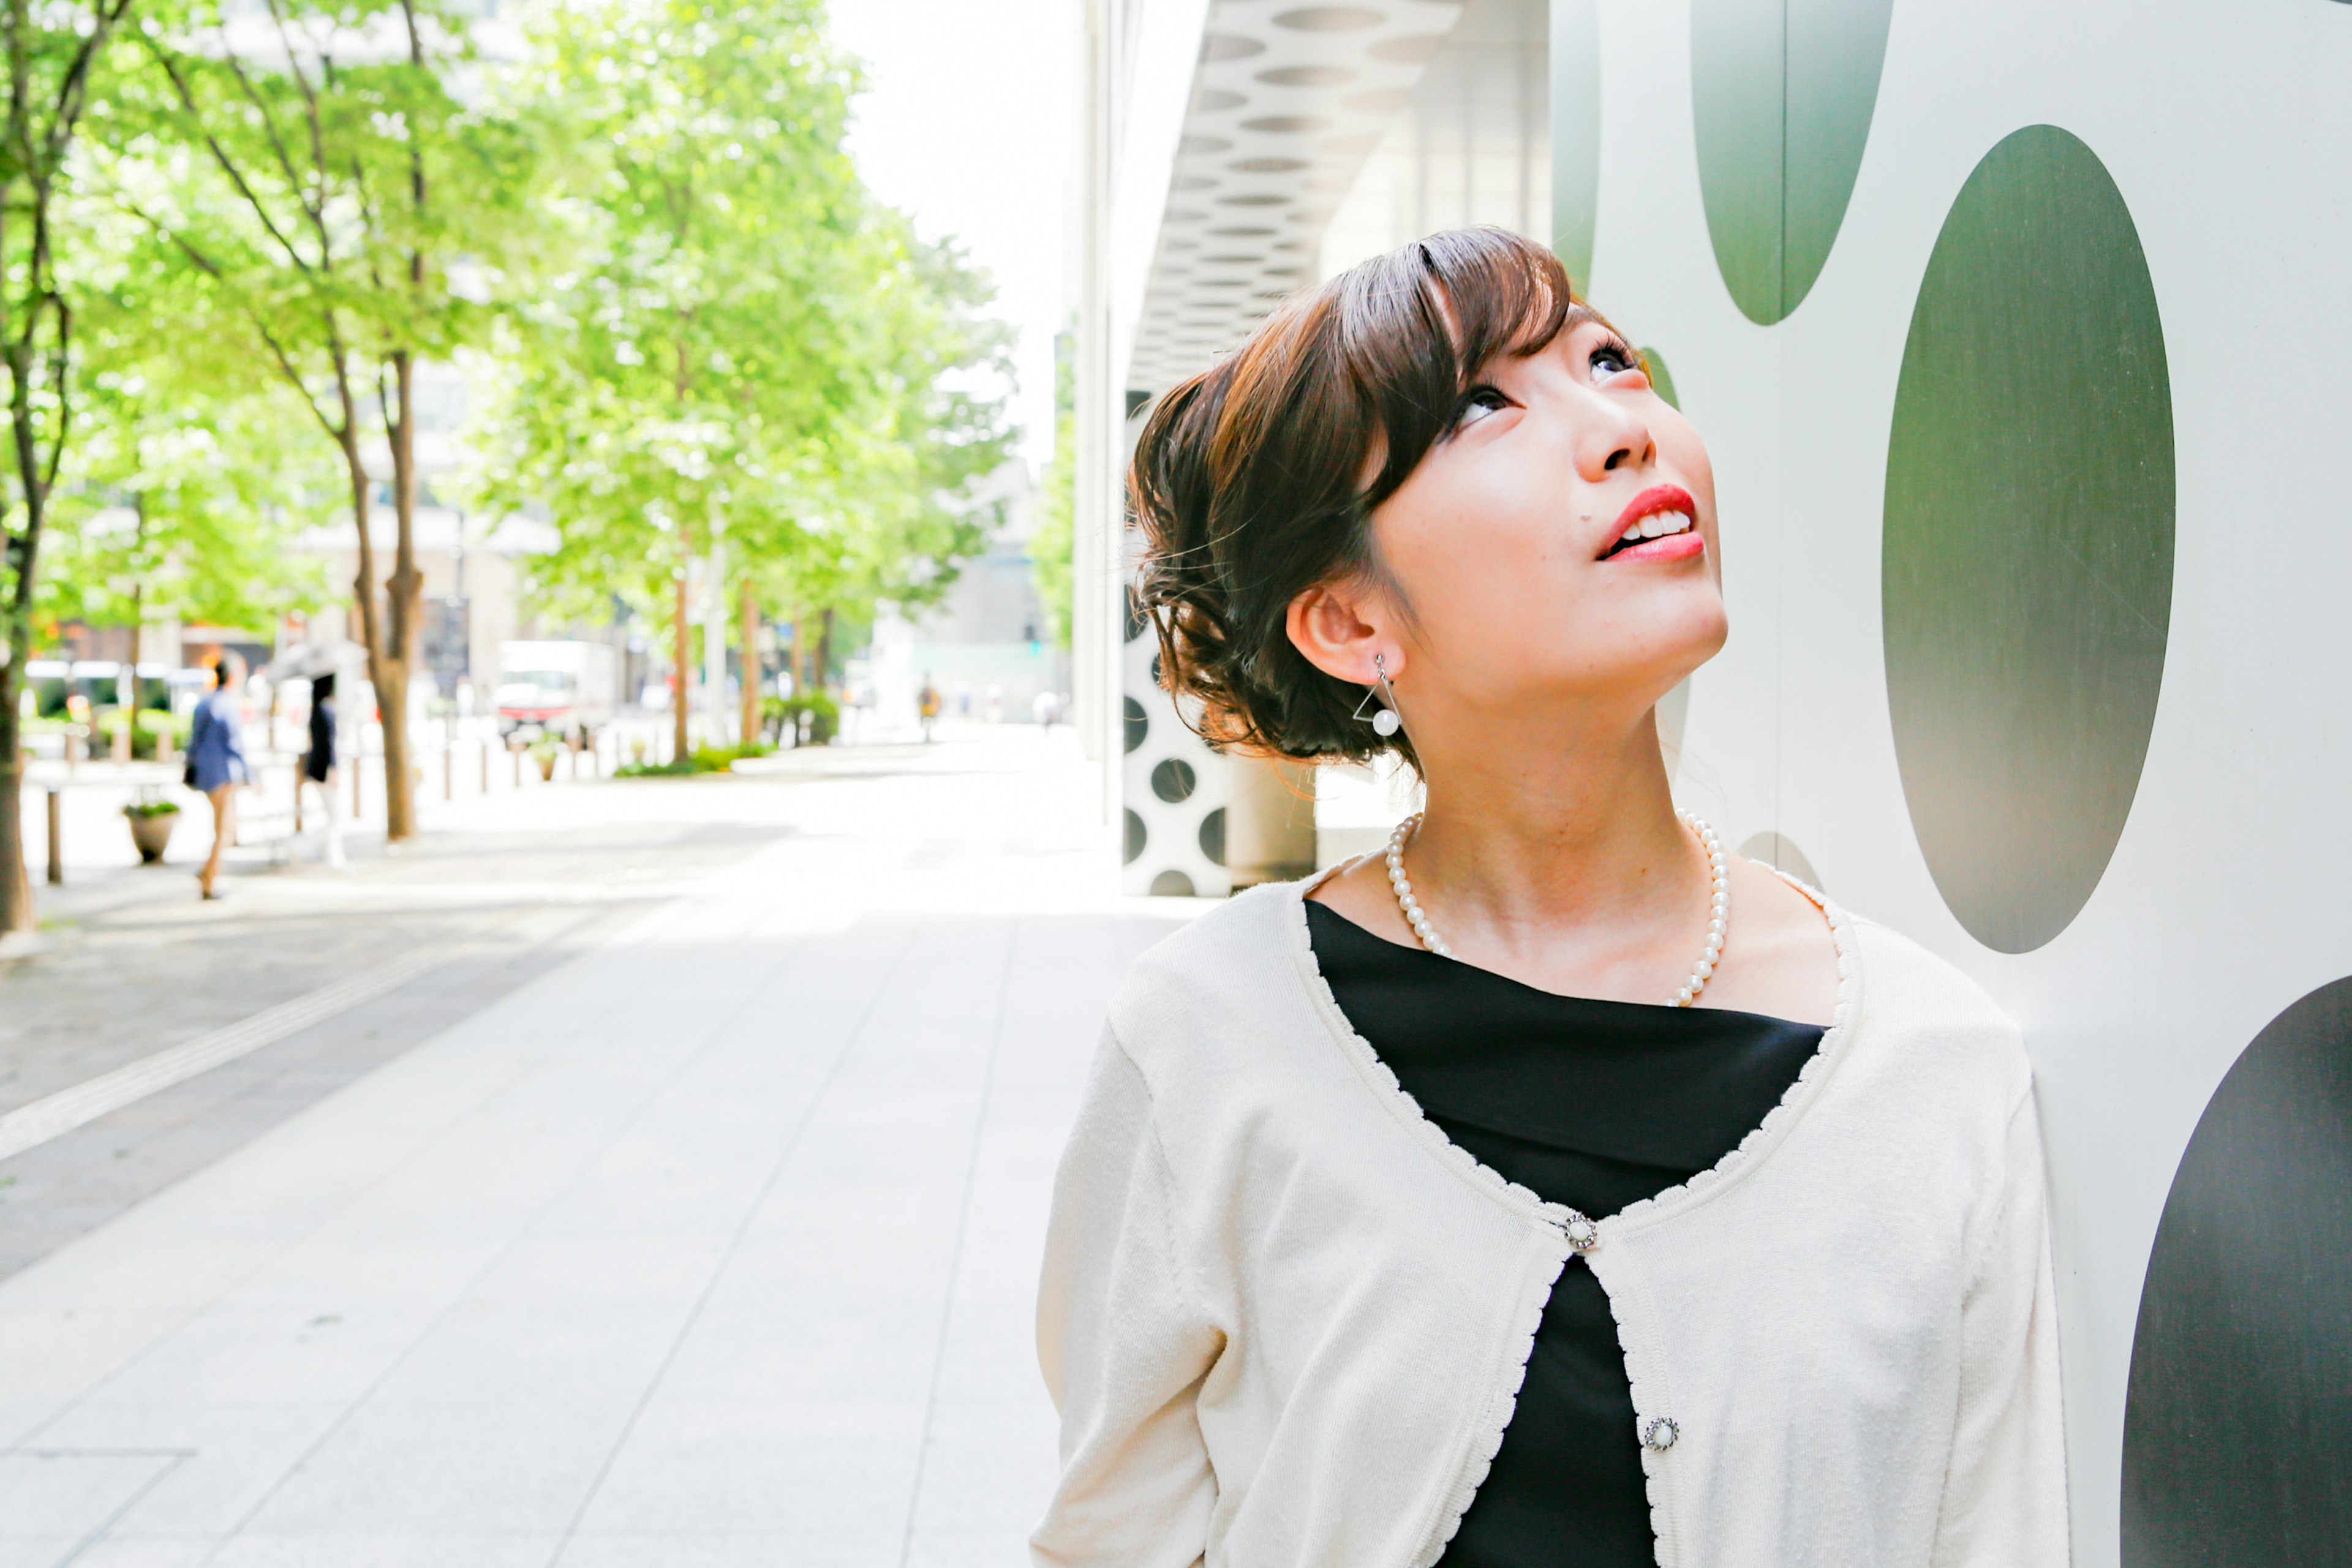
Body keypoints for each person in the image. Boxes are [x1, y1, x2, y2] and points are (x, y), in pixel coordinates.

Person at [1032, 229, 2065, 1567]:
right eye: (1482, 406)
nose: (1621, 428)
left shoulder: (1933, 1065)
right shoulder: (1206, 1038)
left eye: (1610, 362)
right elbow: (1116, 1532)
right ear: (1350, 623)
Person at [187, 655, 250, 902]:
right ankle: (209, 878)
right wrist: (250, 775)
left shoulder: (205, 703)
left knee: (223, 828)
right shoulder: (227, 704)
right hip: (222, 775)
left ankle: (210, 874)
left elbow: (193, 742)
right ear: (232, 677)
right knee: (223, 829)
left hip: (206, 774)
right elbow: (235, 744)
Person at [304, 671, 347, 870]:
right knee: (334, 816)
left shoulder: (315, 710)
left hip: (316, 769)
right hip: (324, 771)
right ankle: (303, 846)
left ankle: (334, 857)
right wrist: (334, 770)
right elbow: (328, 745)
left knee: (333, 816)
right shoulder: (325, 710)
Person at [917, 676, 941, 743]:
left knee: (928, 722)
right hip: (926, 709)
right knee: (927, 722)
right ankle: (927, 733)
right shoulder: (926, 690)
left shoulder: (930, 691)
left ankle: (928, 733)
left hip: (929, 709)